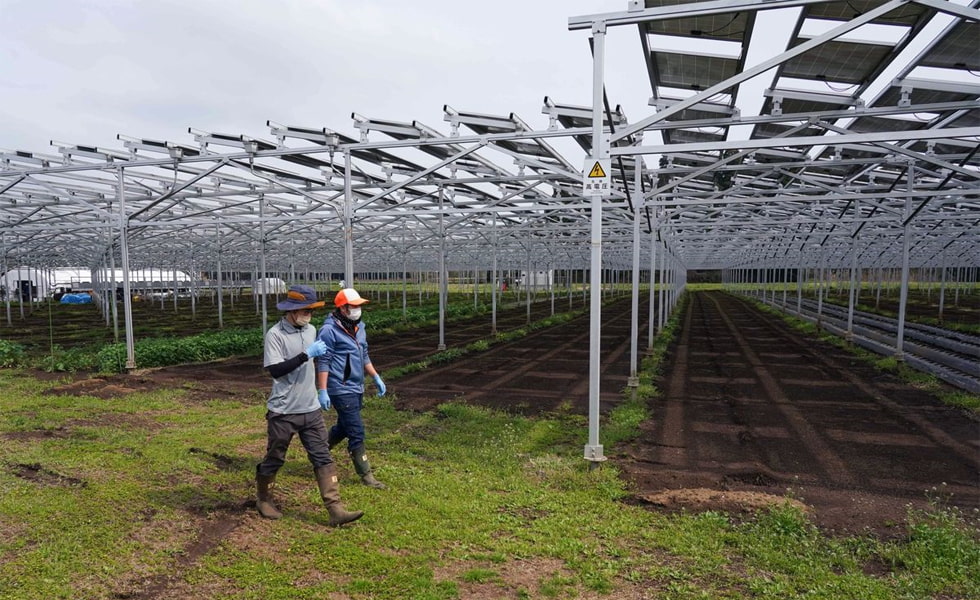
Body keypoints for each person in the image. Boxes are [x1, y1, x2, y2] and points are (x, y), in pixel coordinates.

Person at [255, 284, 364, 527]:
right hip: (284, 410)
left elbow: (321, 360)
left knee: (322, 457)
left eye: (311, 311)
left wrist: (323, 390)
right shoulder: (275, 335)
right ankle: (263, 499)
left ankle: (335, 509)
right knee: (275, 456)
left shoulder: (312, 330)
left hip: (310, 409)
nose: (308, 315)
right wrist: (306, 354)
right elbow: (275, 370)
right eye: (304, 310)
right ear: (291, 311)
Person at [316, 288, 388, 489]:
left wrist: (375, 377)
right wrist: (323, 390)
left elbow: (364, 355)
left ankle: (319, 452)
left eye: (359, 305)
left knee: (343, 427)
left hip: (356, 386)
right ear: (342, 308)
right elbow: (324, 361)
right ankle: (366, 475)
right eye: (354, 306)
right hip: (340, 387)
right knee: (356, 430)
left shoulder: (359, 328)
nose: (358, 309)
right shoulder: (329, 331)